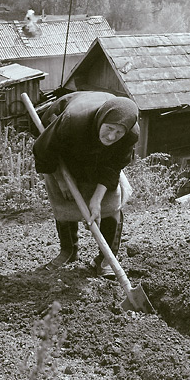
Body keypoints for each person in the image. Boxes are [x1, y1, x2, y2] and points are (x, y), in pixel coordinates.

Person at [32, 91, 138, 278]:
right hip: (67, 148)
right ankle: (68, 252)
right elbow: (44, 150)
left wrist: (96, 200)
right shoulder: (73, 120)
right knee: (65, 202)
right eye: (109, 128)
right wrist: (61, 180)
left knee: (110, 205)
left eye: (119, 132)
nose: (112, 136)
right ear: (102, 120)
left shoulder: (130, 135)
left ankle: (106, 258)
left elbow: (113, 168)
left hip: (103, 161)